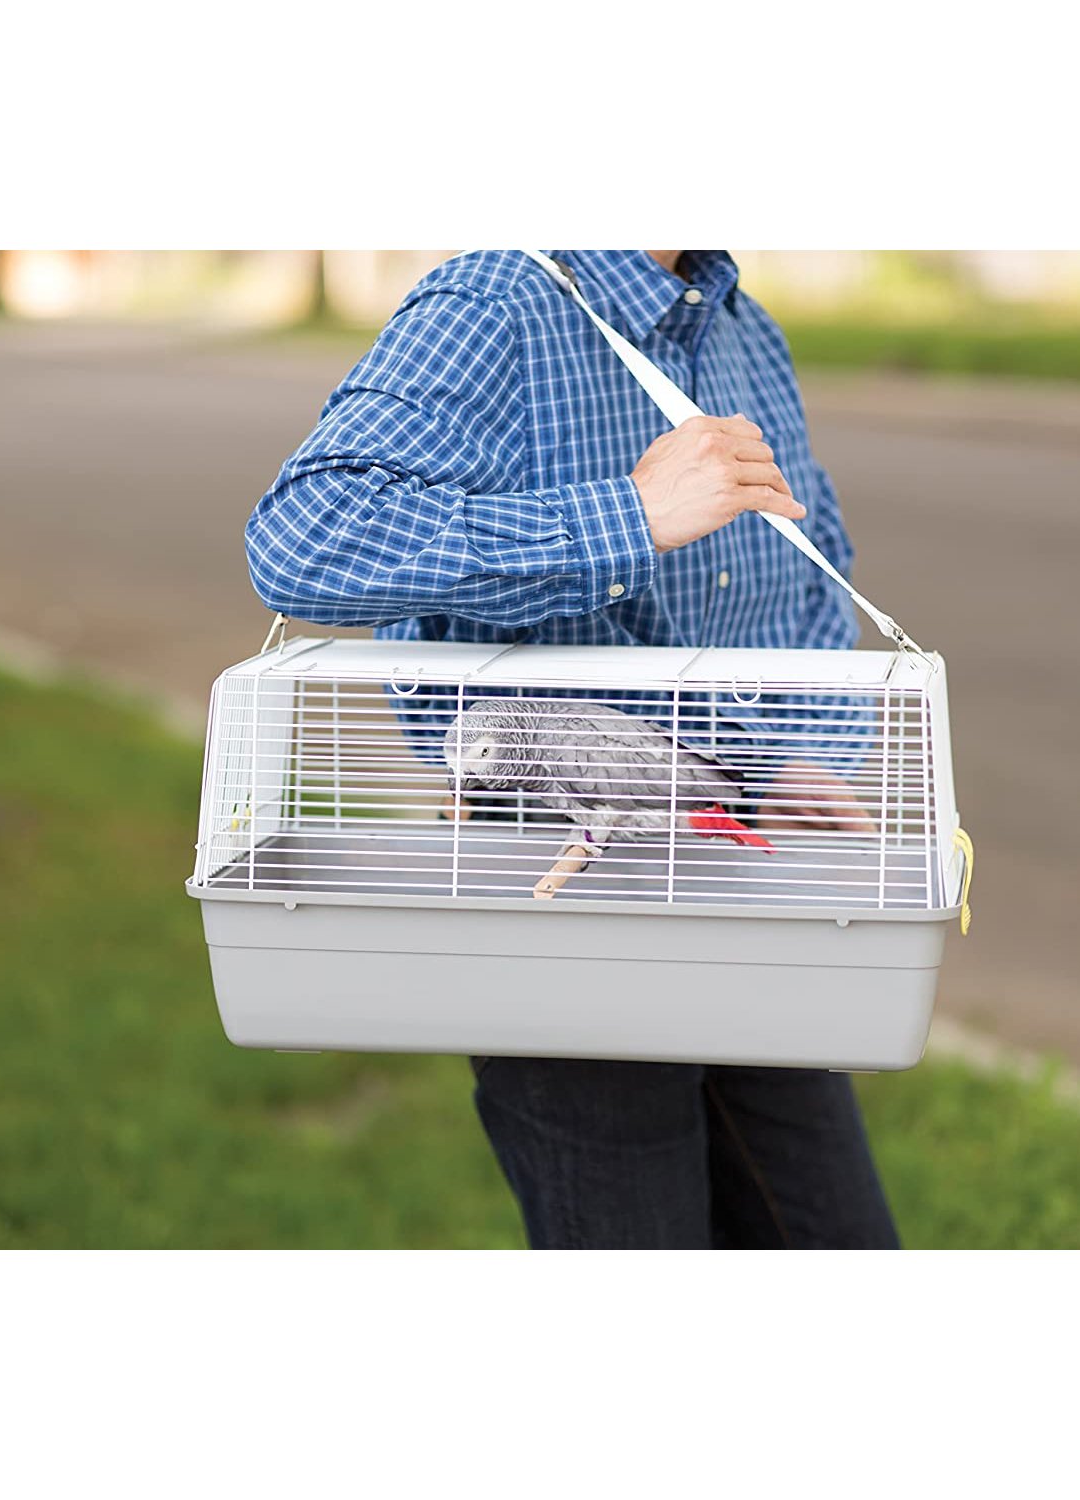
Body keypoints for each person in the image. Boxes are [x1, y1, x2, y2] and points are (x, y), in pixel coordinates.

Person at [245, 250, 899, 1250]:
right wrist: (628, 517)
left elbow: (813, 583)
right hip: (560, 896)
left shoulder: (745, 329)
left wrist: (787, 759)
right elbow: (306, 538)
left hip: (743, 891)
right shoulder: (496, 301)